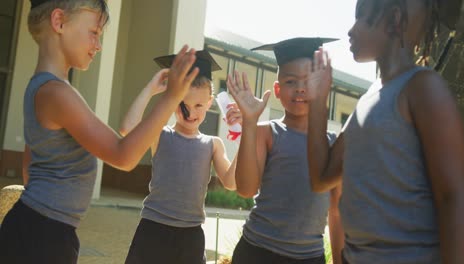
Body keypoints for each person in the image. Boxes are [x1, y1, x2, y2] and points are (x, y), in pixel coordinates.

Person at [0, 0, 199, 263]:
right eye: (94, 32)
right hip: (44, 234)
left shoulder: (40, 88)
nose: (98, 45)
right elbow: (123, 155)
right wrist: (171, 98)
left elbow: (30, 167)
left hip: (36, 227)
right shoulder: (58, 93)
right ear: (59, 22)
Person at [306, 1, 464, 263]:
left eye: (360, 18)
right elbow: (321, 177)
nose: (350, 30)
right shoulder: (368, 100)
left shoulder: (422, 88)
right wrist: (317, 102)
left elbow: (453, 198)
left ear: (394, 19)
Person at [227, 37, 344, 264]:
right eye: (290, 82)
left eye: (308, 81)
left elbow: (337, 211)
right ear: (278, 90)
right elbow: (245, 188)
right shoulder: (266, 133)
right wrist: (249, 122)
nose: (300, 88)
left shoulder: (333, 145)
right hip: (257, 252)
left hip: (309, 257)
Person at [121, 50, 241, 264]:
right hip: (153, 230)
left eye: (199, 106)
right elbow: (127, 130)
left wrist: (247, 130)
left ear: (210, 102)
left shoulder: (212, 144)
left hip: (190, 237)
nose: (191, 113)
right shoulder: (159, 133)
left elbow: (231, 183)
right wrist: (151, 89)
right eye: (182, 105)